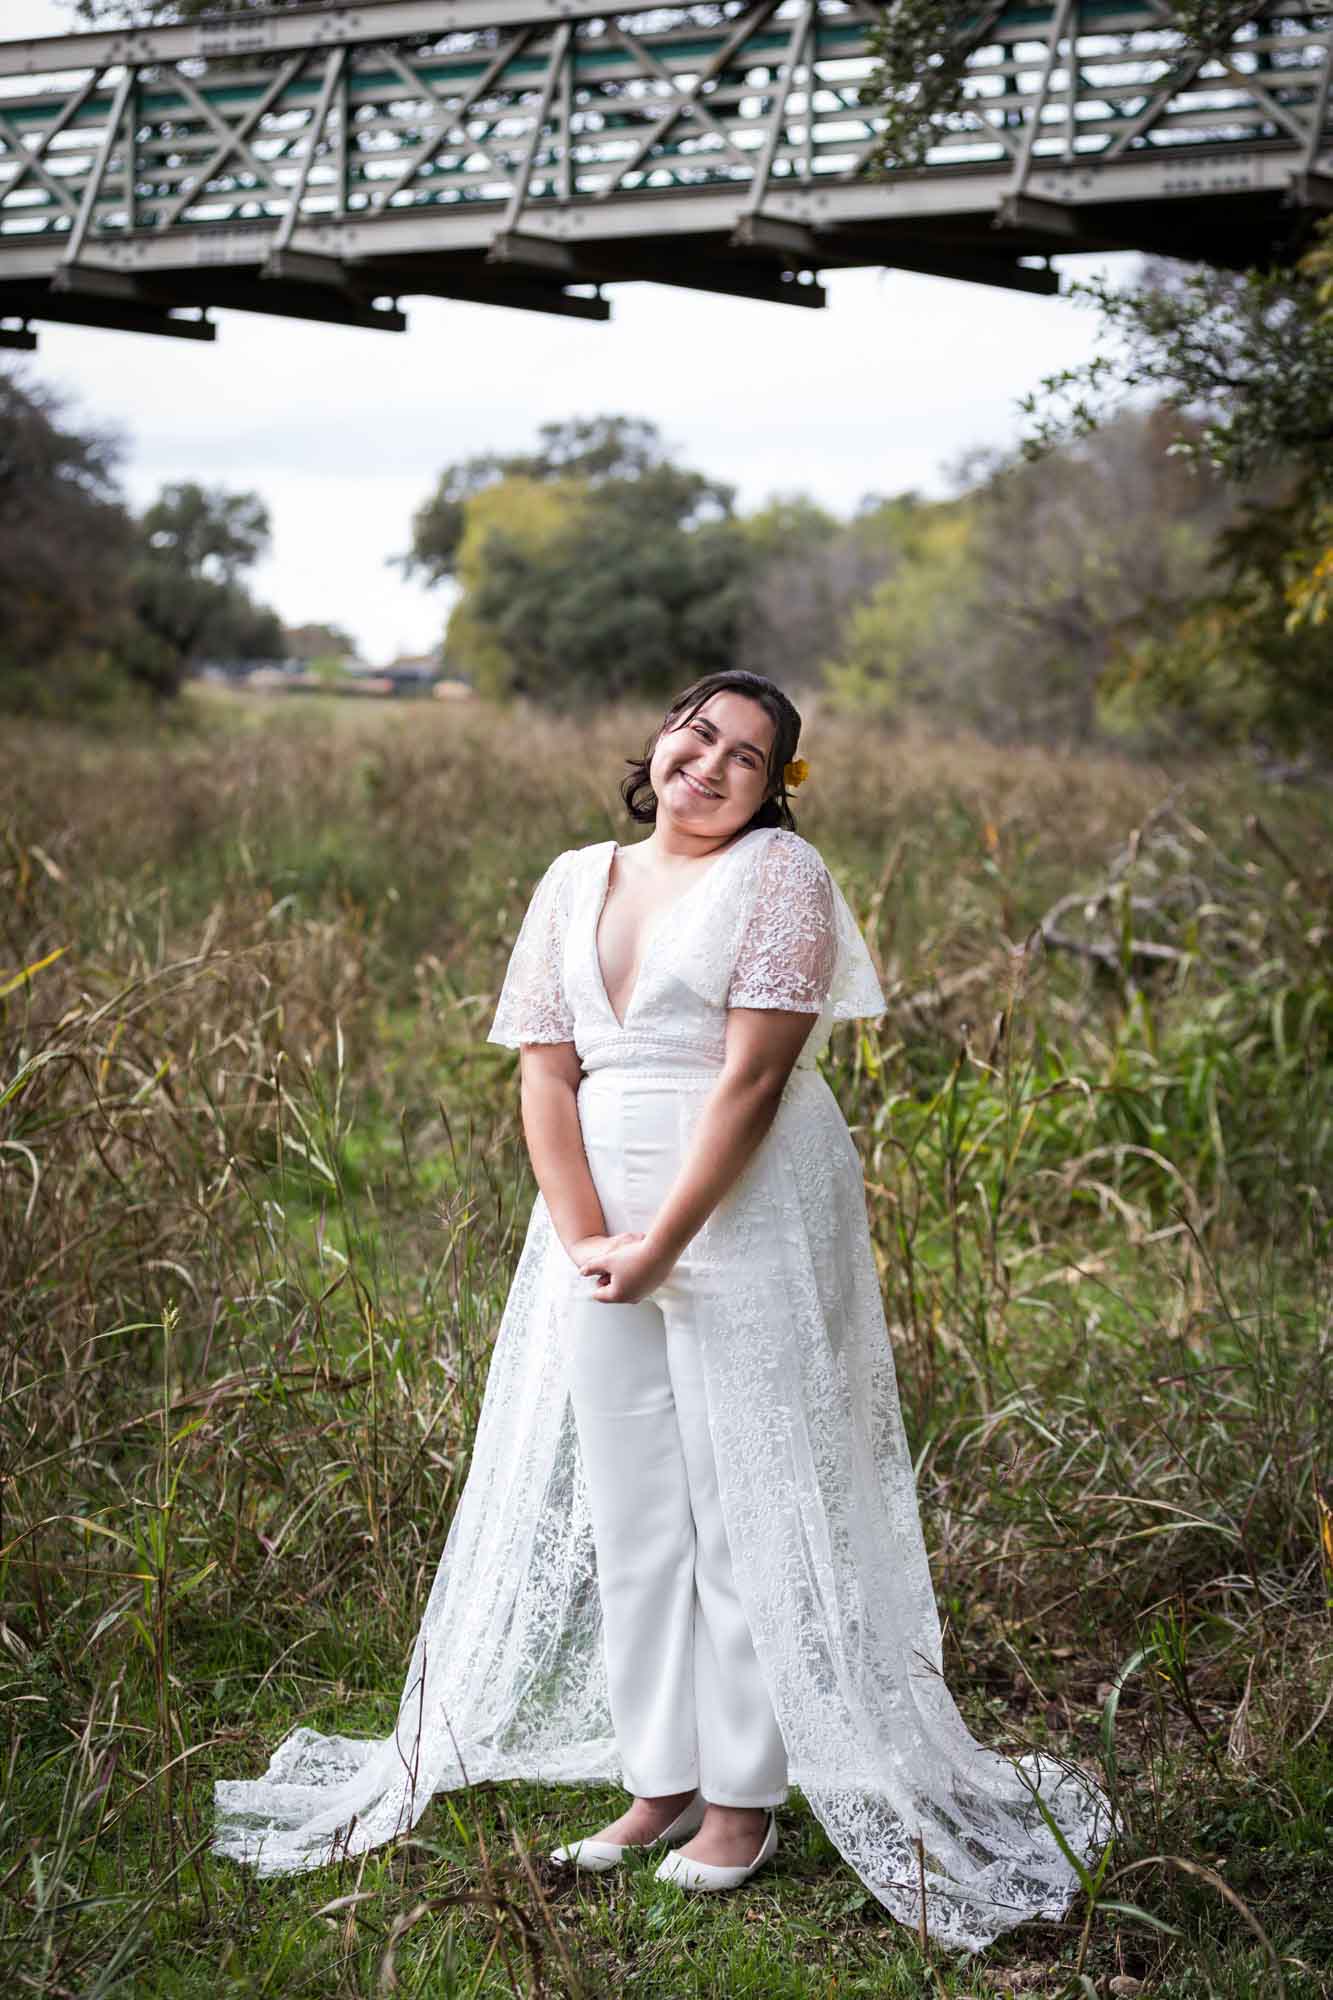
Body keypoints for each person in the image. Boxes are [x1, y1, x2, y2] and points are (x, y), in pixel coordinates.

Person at [212, 670, 1110, 1953]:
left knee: (738, 1488)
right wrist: (584, 1236)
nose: (710, 762)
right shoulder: (574, 876)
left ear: (773, 788)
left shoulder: (780, 881)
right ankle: (659, 1780)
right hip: (589, 1202)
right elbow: (543, 1064)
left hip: (735, 1193)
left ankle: (742, 1797)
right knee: (630, 1496)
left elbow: (752, 1077)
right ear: (659, 739)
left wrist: (665, 1240)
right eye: (698, 731)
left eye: (748, 755)